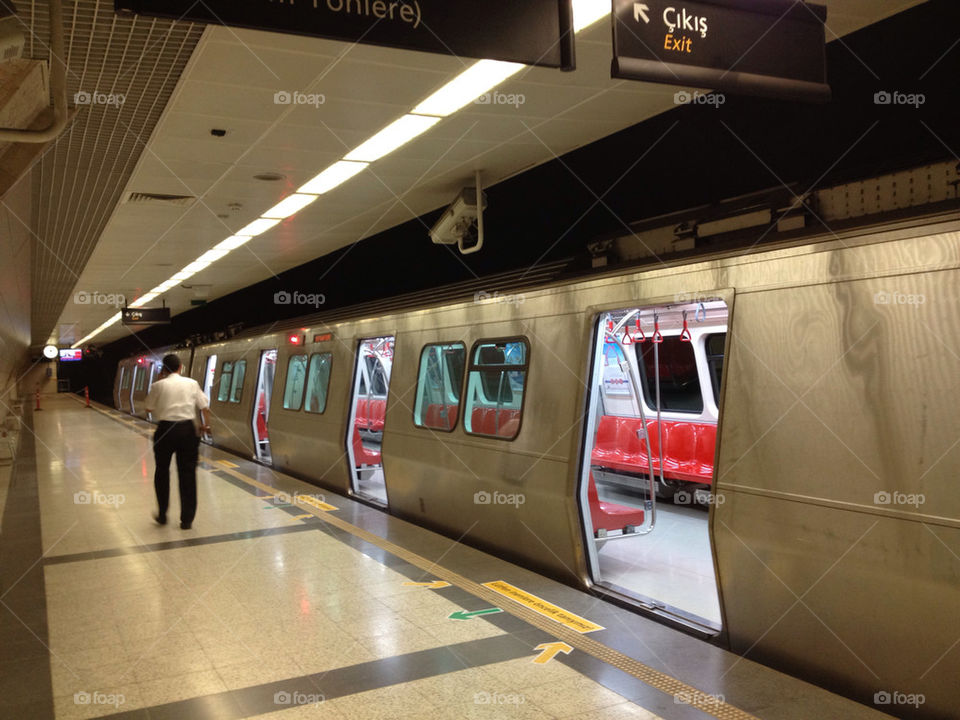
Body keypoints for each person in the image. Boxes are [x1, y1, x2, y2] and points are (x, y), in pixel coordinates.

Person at [145, 354, 211, 529]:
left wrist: (159, 381)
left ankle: (162, 514)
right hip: (187, 430)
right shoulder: (192, 383)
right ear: (180, 367)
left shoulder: (157, 385)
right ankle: (187, 520)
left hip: (165, 431)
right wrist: (205, 426)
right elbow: (204, 407)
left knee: (162, 471)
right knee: (188, 474)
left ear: (164, 369)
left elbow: (148, 407)